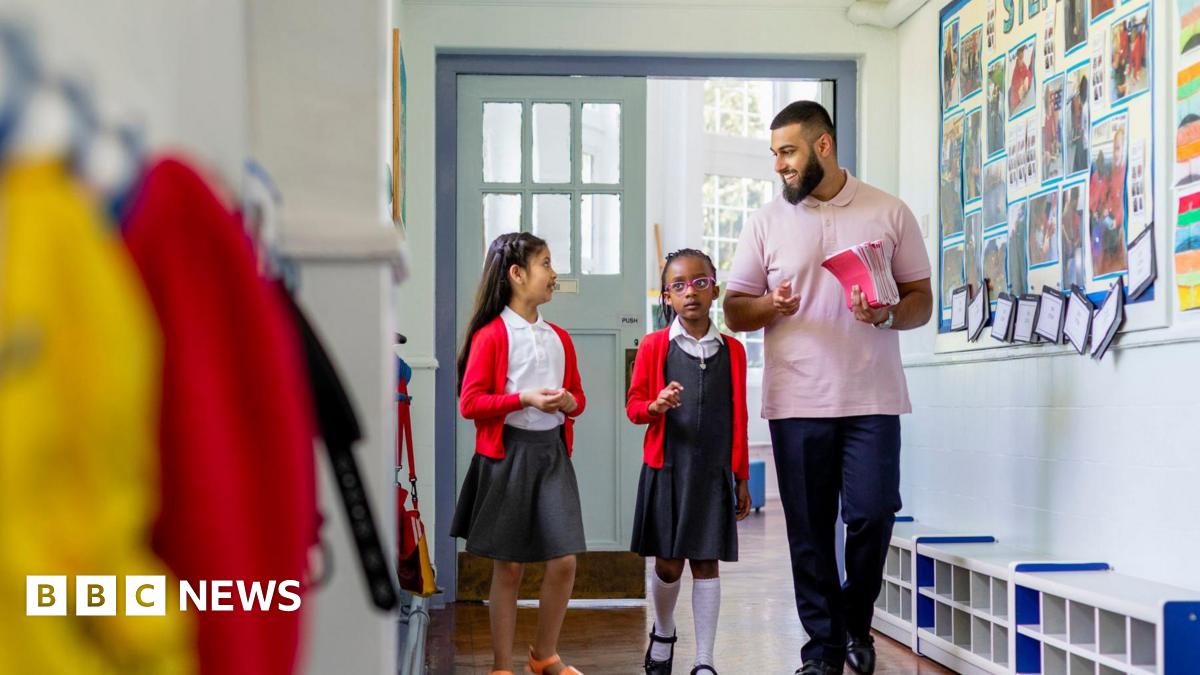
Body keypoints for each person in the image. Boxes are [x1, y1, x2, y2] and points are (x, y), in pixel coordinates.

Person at [723, 101, 933, 675]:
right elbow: (735, 309)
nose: (779, 166)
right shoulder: (766, 222)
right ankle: (824, 651)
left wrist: (888, 313)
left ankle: (852, 622)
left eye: (787, 152)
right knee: (810, 531)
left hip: (873, 396)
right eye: (774, 155)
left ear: (823, 146)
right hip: (797, 400)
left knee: (872, 513)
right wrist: (772, 304)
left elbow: (922, 299)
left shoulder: (888, 212)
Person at [451, 232, 588, 675]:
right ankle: (500, 665)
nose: (553, 273)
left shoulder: (560, 339)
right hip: (505, 457)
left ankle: (544, 655)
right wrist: (523, 399)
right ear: (516, 274)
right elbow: (470, 403)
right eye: (546, 264)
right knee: (507, 567)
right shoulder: (491, 337)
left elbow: (579, 399)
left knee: (564, 560)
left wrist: (568, 403)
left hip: (551, 457)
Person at [627, 248, 753, 675]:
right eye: (678, 285)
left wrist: (741, 477)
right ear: (667, 297)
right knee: (667, 563)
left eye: (700, 282)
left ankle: (704, 661)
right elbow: (634, 408)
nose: (691, 292)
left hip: (712, 471)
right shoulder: (653, 346)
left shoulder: (733, 351)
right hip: (667, 468)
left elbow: (739, 416)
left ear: (715, 289)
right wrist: (655, 405)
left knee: (706, 562)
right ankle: (663, 631)